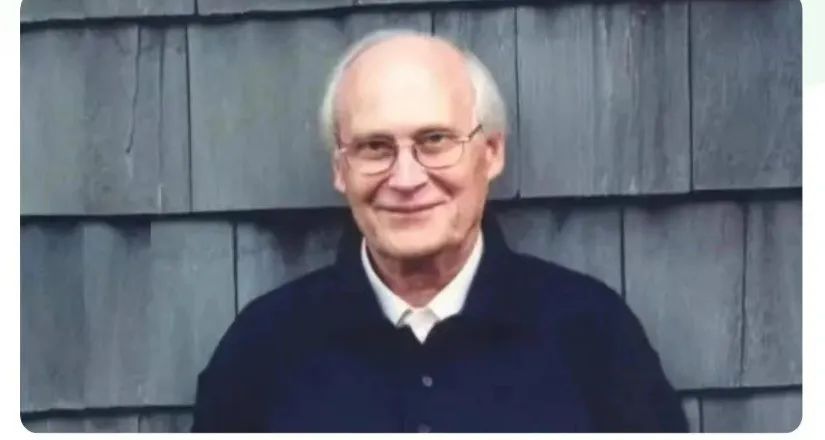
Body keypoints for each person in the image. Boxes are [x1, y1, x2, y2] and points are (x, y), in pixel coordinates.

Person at [191, 29, 687, 433]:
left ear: (491, 153)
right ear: (340, 169)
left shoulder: (592, 336)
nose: (406, 179)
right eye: (375, 147)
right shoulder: (262, 350)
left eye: (434, 140)